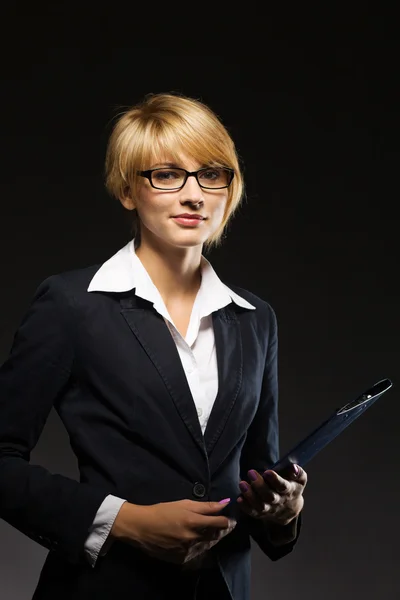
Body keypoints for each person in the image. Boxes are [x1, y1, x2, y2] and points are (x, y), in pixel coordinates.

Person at [0, 92, 307, 600]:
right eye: (166, 175)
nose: (194, 195)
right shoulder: (72, 306)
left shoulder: (256, 320)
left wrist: (284, 511)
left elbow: (256, 474)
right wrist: (124, 520)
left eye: (212, 173)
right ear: (127, 190)